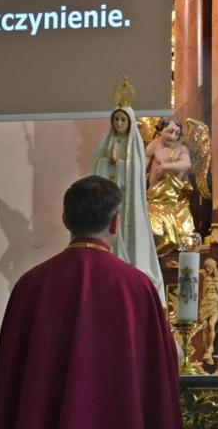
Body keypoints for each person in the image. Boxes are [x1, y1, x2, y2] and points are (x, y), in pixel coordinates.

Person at [0, 176, 182, 429]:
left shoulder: (31, 286)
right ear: (115, 223)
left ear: (65, 220)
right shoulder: (138, 287)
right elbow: (161, 371)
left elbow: (8, 382)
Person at [89, 105, 165, 303]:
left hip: (126, 200)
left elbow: (136, 169)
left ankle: (128, 265)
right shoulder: (105, 143)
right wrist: (107, 162)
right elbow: (97, 166)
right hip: (108, 202)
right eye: (116, 119)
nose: (119, 123)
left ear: (130, 122)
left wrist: (120, 164)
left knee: (126, 230)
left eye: (123, 120)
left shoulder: (134, 144)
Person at [145, 116, 195, 256]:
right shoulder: (153, 147)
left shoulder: (181, 148)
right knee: (156, 231)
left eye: (177, 133)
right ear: (160, 130)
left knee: (186, 235)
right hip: (155, 201)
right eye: (170, 131)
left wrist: (165, 167)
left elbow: (186, 164)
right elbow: (140, 169)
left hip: (176, 202)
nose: (173, 136)